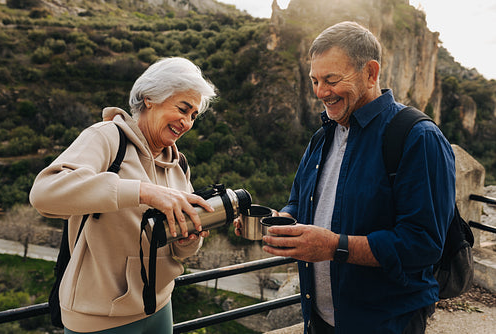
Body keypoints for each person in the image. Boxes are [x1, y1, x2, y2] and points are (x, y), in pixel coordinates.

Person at [259, 21, 456, 333]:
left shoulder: (417, 137)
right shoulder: (321, 137)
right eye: (315, 80)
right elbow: (300, 202)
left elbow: (424, 244)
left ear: (370, 73)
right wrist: (279, 220)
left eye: (332, 80)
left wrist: (335, 247)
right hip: (320, 320)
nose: (321, 92)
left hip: (386, 323)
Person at [29, 57, 217, 334]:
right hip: (97, 317)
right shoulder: (106, 138)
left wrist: (188, 240)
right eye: (183, 109)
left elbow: (177, 251)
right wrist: (143, 192)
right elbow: (44, 194)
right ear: (151, 98)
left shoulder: (179, 164)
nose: (187, 122)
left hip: (160, 306)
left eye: (193, 116)